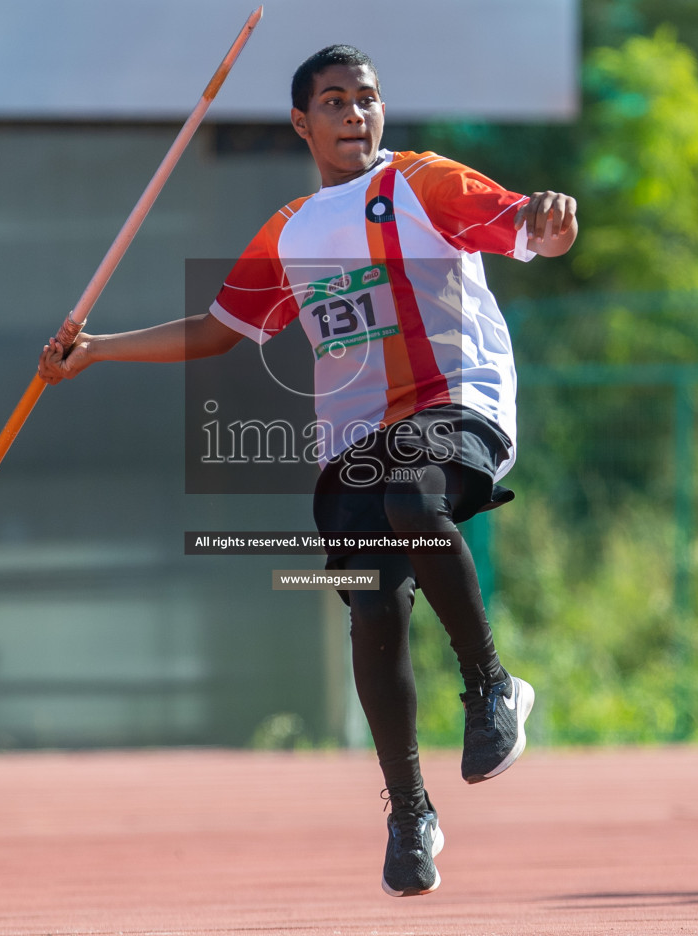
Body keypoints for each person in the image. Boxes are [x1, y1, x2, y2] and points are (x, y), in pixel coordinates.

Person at [38, 44, 578, 897]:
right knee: (370, 606)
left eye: (366, 98)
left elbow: (525, 224)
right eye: (334, 102)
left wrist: (549, 222)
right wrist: (97, 353)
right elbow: (218, 331)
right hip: (353, 443)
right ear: (303, 122)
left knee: (412, 491)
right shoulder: (289, 233)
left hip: (458, 406)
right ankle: (410, 810)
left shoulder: (427, 184)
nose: (354, 115)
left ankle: (492, 686)